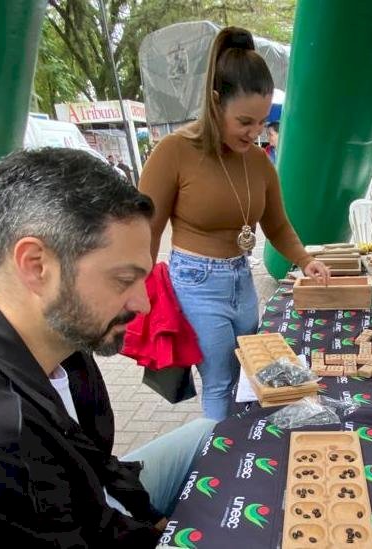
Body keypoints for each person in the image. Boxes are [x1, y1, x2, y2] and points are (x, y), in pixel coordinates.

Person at [0, 148, 216, 547]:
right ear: (35, 264)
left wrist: (149, 517)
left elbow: (95, 462)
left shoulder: (55, 324)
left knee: (212, 433)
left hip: (96, 499)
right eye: (123, 279)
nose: (143, 304)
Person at [138, 27, 329, 421]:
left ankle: (234, 453)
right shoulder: (173, 152)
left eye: (262, 122)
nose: (255, 133)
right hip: (195, 284)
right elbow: (144, 229)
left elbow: (278, 225)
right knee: (220, 382)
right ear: (214, 103)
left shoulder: (258, 162)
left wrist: (304, 259)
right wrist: (136, 289)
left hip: (242, 280)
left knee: (248, 373)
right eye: (245, 121)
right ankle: (214, 469)